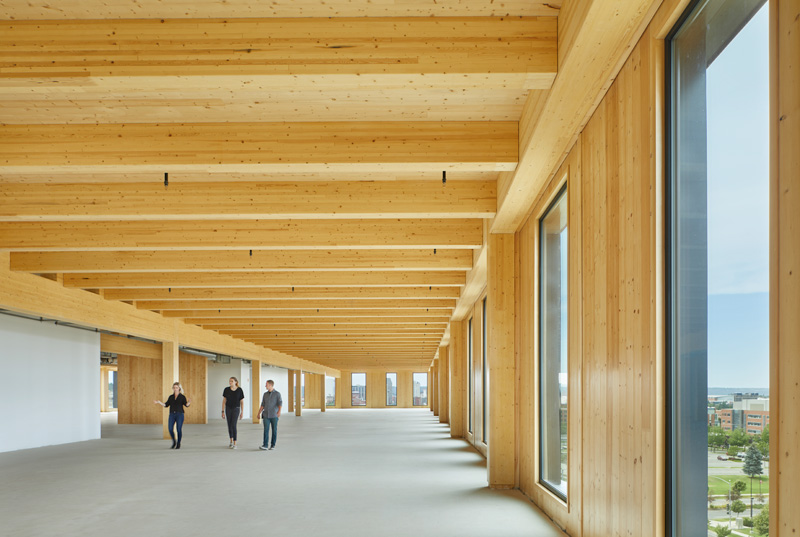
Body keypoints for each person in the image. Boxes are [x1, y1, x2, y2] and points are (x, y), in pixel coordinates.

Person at [154, 382, 191, 449]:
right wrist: (159, 402)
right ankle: (174, 442)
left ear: (179, 388)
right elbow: (166, 405)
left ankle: (178, 443)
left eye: (176, 387)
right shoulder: (171, 397)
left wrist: (189, 403)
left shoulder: (182, 397)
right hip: (172, 415)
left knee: (178, 429)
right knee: (170, 429)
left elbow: (186, 405)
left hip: (180, 414)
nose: (175, 389)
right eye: (174, 388)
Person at [257, 380, 282, 451]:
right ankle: (265, 445)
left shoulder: (277, 394)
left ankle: (273, 445)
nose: (265, 386)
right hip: (266, 415)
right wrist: (258, 413)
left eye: (266, 384)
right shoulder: (265, 394)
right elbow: (262, 405)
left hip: (274, 415)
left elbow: (280, 403)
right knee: (266, 430)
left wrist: (279, 412)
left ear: (270, 385)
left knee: (274, 430)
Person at [222, 376, 245, 449]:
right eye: (229, 381)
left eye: (232, 381)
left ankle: (235, 442)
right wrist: (222, 411)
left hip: (236, 409)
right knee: (229, 424)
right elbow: (224, 401)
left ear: (235, 382)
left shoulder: (239, 390)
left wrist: (242, 412)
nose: (230, 382)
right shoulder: (226, 390)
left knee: (233, 424)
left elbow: (242, 402)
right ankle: (231, 441)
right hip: (228, 408)